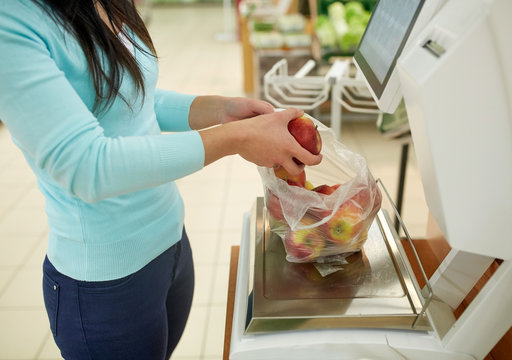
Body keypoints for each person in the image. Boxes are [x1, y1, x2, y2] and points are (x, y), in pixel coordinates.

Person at [0, 1, 322, 359]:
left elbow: (129, 97)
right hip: (105, 287)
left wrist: (221, 110)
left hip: (170, 245)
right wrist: (237, 139)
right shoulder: (11, 22)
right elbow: (86, 166)